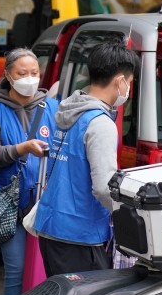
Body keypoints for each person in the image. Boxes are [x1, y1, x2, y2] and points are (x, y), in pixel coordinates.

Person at [34, 39, 139, 275]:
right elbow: (103, 188)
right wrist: (131, 218)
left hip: (52, 224)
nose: (128, 90)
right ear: (120, 81)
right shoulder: (100, 123)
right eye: (130, 82)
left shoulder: (69, 109)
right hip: (80, 234)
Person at [0, 47, 58, 295]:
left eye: (34, 73)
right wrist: (22, 148)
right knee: (16, 270)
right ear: (8, 75)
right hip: (11, 204)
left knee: (47, 271)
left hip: (45, 204)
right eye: (22, 73)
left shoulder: (53, 107)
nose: (29, 78)